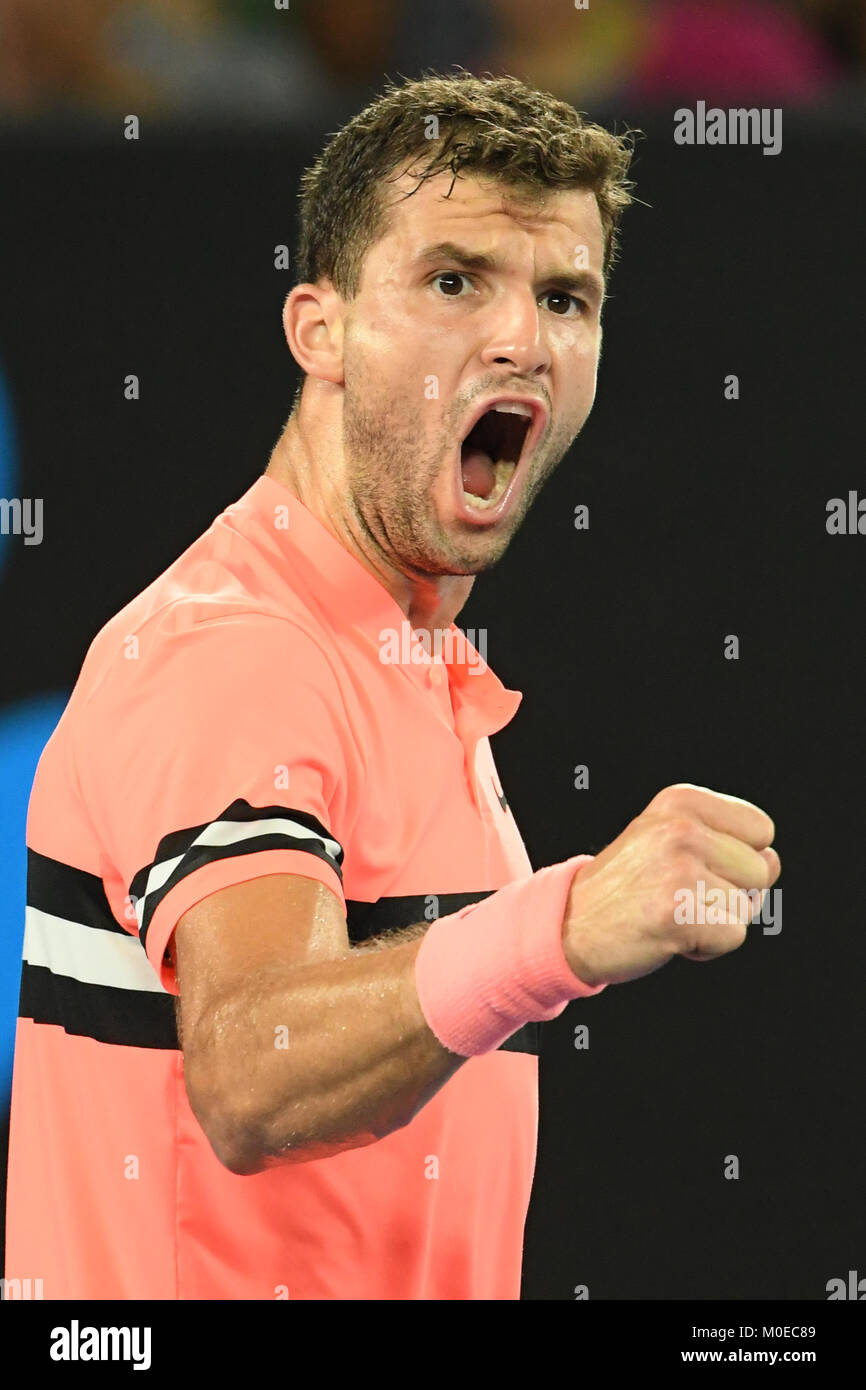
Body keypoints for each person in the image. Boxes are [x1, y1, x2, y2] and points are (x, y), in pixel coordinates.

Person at [4, 71, 780, 1300]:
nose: (521, 337)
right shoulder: (238, 649)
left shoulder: (397, 657)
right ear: (319, 330)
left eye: (564, 297)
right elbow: (251, 1074)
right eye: (453, 280)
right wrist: (562, 927)